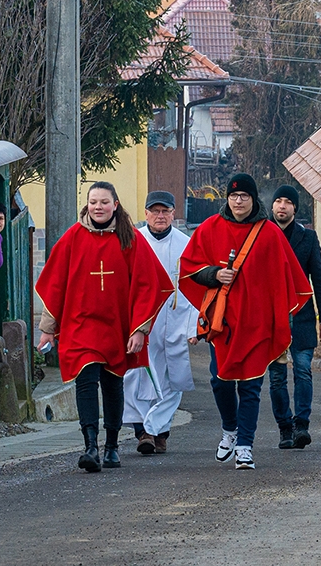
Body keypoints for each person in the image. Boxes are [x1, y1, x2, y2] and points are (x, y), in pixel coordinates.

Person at [35, 182, 172, 473]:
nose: (98, 207)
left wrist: (139, 329)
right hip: (80, 325)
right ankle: (90, 446)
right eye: (93, 201)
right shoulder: (73, 237)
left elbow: (148, 285)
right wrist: (47, 328)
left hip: (116, 327)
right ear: (87, 204)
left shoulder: (130, 238)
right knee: (85, 382)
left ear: (115, 204)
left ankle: (111, 446)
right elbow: (56, 283)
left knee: (112, 384)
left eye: (104, 202)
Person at [179, 173, 311, 470]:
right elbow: (189, 268)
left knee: (251, 385)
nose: (238, 201)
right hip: (222, 322)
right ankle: (230, 429)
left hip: (257, 323)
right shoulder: (209, 228)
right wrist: (214, 274)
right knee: (219, 381)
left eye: (244, 196)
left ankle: (245, 446)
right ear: (227, 198)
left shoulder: (270, 233)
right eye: (234, 196)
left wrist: (280, 317)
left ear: (253, 199)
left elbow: (287, 276)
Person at [122, 191, 198, 455]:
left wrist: (194, 326)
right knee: (138, 376)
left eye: (165, 211)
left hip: (175, 318)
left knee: (172, 378)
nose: (160, 216)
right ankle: (143, 431)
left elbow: (195, 287)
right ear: (146, 214)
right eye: (155, 211)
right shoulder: (133, 241)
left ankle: (158, 431)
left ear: (173, 213)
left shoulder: (186, 244)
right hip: (142, 320)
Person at [267, 185, 321, 449]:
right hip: (271, 317)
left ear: (295, 208)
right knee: (277, 376)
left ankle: (301, 425)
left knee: (303, 371)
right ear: (272, 206)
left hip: (302, 315)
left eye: (287, 202)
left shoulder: (308, 238)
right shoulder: (261, 234)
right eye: (278, 201)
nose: (282, 206)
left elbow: (319, 278)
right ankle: (284, 428)